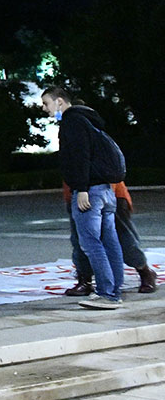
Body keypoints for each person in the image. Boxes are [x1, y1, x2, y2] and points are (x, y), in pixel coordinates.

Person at [43, 86, 128, 309]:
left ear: (59, 102)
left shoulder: (72, 122)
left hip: (90, 191)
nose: (45, 109)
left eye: (47, 104)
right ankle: (114, 291)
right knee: (110, 242)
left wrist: (80, 189)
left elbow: (79, 157)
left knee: (91, 243)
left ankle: (107, 294)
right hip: (106, 190)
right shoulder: (88, 119)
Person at [63, 178, 156, 297]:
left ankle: (143, 270)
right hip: (77, 192)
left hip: (108, 191)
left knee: (124, 240)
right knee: (80, 241)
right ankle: (84, 279)